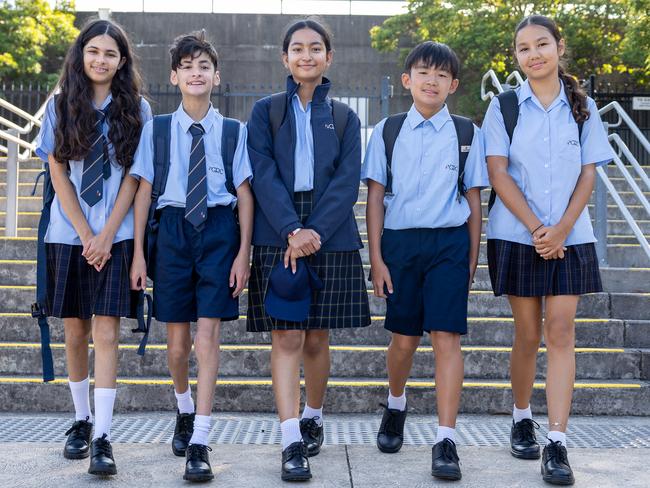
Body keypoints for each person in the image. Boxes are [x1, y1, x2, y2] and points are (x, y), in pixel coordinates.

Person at [482, 14, 615, 486]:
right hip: (517, 235)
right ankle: (522, 416)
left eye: (542, 44)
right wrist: (540, 228)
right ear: (516, 56)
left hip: (572, 238)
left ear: (559, 47)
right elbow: (498, 173)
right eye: (523, 48)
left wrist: (560, 230)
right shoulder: (504, 107)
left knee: (561, 331)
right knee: (527, 332)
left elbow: (588, 174)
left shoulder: (582, 107)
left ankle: (556, 443)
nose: (534, 54)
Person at [246, 17, 371, 482]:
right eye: (297, 48)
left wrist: (313, 229)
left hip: (330, 231)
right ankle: (289, 439)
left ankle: (313, 415)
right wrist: (292, 230)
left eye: (315, 48)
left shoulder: (345, 117)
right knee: (287, 336)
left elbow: (346, 181)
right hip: (278, 230)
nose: (306, 55)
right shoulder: (265, 111)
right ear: (285, 58)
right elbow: (262, 172)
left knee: (318, 336)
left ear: (328, 57)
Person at [129, 30, 254, 482]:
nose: (196, 73)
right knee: (178, 344)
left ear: (216, 76)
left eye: (204, 66)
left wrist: (244, 253)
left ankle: (200, 437)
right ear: (174, 75)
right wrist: (140, 254)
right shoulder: (157, 129)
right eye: (188, 66)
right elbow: (144, 193)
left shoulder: (234, 130)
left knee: (208, 339)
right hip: (174, 230)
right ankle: (183, 406)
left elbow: (244, 195)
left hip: (219, 230)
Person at [362, 41, 487, 481]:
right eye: (423, 72)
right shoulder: (387, 131)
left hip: (449, 244)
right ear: (407, 80)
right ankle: (396, 404)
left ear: (452, 85)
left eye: (440, 75)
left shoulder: (468, 132)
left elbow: (473, 201)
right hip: (400, 244)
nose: (431, 81)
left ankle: (445, 439)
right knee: (403, 341)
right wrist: (377, 258)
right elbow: (375, 198)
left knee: (447, 338)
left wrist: (472, 259)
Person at [33, 18, 151, 476]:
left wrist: (106, 235)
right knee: (75, 331)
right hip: (68, 236)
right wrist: (85, 234)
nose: (101, 60)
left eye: (110, 54)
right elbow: (58, 173)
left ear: (122, 62)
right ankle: (80, 420)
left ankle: (103, 434)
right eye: (93, 51)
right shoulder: (61, 106)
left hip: (116, 237)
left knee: (107, 332)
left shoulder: (136, 108)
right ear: (80, 56)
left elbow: (134, 178)